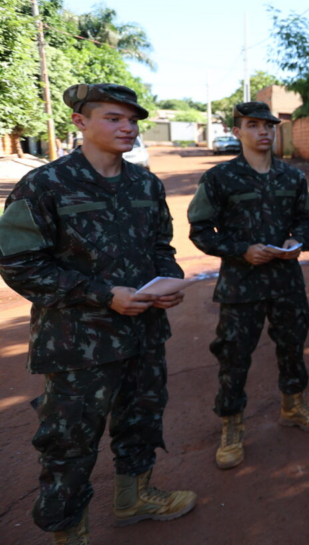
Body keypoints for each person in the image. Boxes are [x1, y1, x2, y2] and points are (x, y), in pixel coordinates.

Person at [0, 84, 196, 544]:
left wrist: (169, 280)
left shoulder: (146, 184)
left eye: (132, 120)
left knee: (141, 420)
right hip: (77, 344)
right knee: (69, 442)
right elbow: (19, 263)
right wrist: (103, 295)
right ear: (80, 122)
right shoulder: (45, 184)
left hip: (144, 332)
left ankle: (133, 498)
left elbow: (161, 248)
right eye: (113, 118)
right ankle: (70, 532)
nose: (127, 127)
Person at [187, 101, 309, 471]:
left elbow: (305, 219)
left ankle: (293, 404)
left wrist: (296, 241)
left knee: (293, 344)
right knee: (234, 354)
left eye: (268, 125)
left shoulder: (292, 177)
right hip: (241, 283)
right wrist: (240, 251)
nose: (263, 131)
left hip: (286, 280)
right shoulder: (220, 178)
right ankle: (231, 425)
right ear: (238, 132)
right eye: (253, 125)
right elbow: (200, 231)